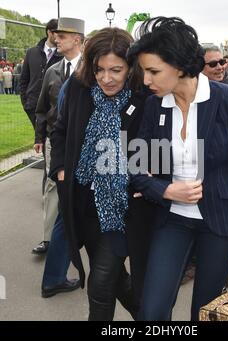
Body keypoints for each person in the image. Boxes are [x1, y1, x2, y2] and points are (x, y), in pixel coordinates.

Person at [127, 16, 228, 321]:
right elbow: (136, 168)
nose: (146, 80)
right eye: (143, 72)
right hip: (173, 220)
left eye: (153, 71)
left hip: (222, 222)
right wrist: (165, 189)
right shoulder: (154, 106)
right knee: (152, 310)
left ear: (178, 66)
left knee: (206, 312)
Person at [49, 27, 154, 320]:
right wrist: (59, 170)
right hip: (85, 204)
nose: (107, 78)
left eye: (116, 70)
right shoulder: (78, 90)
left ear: (131, 67)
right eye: (100, 69)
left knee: (100, 284)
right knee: (115, 279)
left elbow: (157, 148)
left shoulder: (145, 98)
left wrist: (148, 173)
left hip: (123, 209)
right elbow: (59, 131)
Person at [35, 17, 85, 298]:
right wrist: (39, 137)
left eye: (62, 35)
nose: (56, 39)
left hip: (84, 150)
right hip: (61, 145)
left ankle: (55, 275)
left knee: (69, 214)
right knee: (61, 204)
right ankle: (53, 272)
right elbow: (42, 108)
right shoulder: (53, 70)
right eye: (56, 35)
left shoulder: (92, 70)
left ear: (77, 38)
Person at [19, 18, 62, 254]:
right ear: (48, 32)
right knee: (48, 162)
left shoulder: (63, 58)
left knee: (51, 164)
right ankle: (50, 199)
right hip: (35, 109)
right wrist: (26, 102)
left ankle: (52, 197)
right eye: (56, 32)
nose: (58, 37)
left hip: (53, 119)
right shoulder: (32, 52)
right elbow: (24, 80)